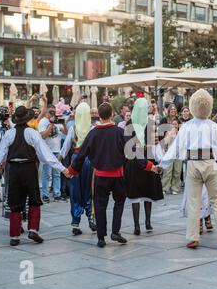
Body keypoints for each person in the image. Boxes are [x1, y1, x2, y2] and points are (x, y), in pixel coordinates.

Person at [160, 89, 217, 249]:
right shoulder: (214, 127)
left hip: (193, 164)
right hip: (210, 163)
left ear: (193, 106)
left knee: (193, 202)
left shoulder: (187, 126)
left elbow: (175, 148)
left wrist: (161, 165)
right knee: (216, 200)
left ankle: (193, 237)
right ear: (209, 107)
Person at [0, 106, 70, 246]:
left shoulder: (10, 133)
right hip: (29, 168)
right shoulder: (32, 133)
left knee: (14, 201)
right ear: (27, 119)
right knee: (34, 199)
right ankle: (33, 230)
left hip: (13, 170)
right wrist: (62, 168)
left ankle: (14, 236)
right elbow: (46, 154)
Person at [68, 102, 133, 248]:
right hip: (117, 175)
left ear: (99, 115)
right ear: (111, 115)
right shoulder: (119, 132)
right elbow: (131, 151)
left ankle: (101, 237)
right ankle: (115, 231)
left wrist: (72, 170)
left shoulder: (93, 133)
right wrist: (148, 165)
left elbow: (81, 154)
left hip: (100, 176)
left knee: (100, 204)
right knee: (119, 202)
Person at [124, 98, 164, 236]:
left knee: (140, 194)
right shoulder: (150, 124)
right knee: (146, 193)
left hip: (134, 162)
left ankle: (139, 225)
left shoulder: (129, 124)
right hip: (148, 160)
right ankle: (146, 222)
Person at [60, 102, 96, 236]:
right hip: (89, 160)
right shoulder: (93, 129)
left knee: (75, 191)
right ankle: (91, 217)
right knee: (90, 190)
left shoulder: (73, 128)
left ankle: (75, 222)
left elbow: (66, 147)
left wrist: (59, 159)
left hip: (76, 160)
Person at [38, 106, 68, 203]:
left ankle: (57, 195)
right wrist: (51, 124)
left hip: (57, 150)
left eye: (54, 112)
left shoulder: (57, 121)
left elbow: (67, 133)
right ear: (46, 112)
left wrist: (63, 123)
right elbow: (43, 136)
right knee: (46, 174)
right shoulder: (43, 121)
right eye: (51, 112)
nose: (52, 114)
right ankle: (45, 195)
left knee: (57, 174)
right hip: (47, 151)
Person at [161, 118, 182, 195]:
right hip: (169, 154)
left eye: (175, 124)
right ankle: (164, 188)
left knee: (177, 171)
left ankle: (175, 188)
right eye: (173, 124)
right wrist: (170, 134)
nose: (174, 125)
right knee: (167, 171)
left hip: (178, 154)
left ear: (178, 125)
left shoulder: (181, 133)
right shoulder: (168, 133)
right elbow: (166, 142)